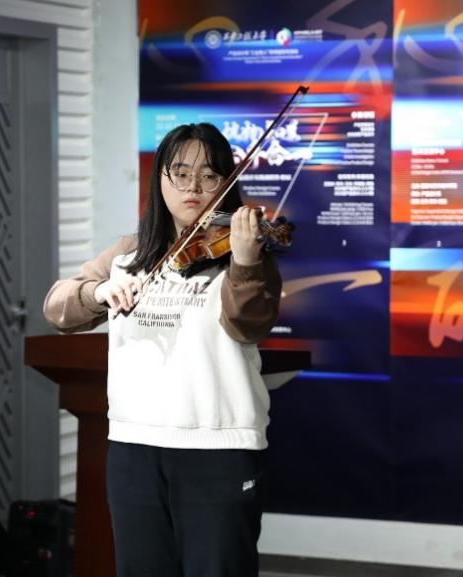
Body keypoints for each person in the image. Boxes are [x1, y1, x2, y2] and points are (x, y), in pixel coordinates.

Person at [43, 122, 282, 577]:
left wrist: (246, 263)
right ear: (160, 179)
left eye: (209, 176)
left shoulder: (243, 253)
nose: (194, 187)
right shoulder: (128, 253)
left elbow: (247, 326)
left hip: (218, 446)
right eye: (181, 173)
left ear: (226, 182)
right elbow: (57, 309)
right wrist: (98, 292)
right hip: (134, 446)